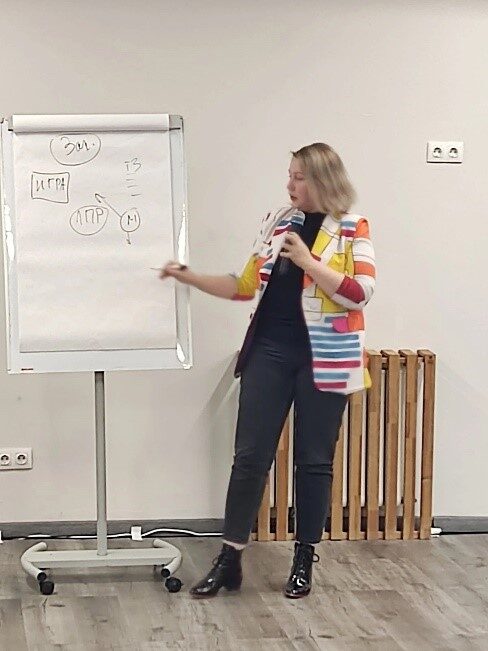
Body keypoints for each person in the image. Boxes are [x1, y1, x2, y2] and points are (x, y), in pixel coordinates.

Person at [159, 142, 376, 599]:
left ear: (321, 180)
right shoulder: (280, 222)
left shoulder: (353, 228)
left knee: (313, 461)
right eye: (289, 174)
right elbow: (244, 286)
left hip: (327, 356)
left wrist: (309, 262)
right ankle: (229, 559)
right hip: (270, 352)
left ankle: (304, 559)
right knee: (249, 458)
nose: (289, 184)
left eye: (298, 176)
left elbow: (360, 293)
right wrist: (188, 276)